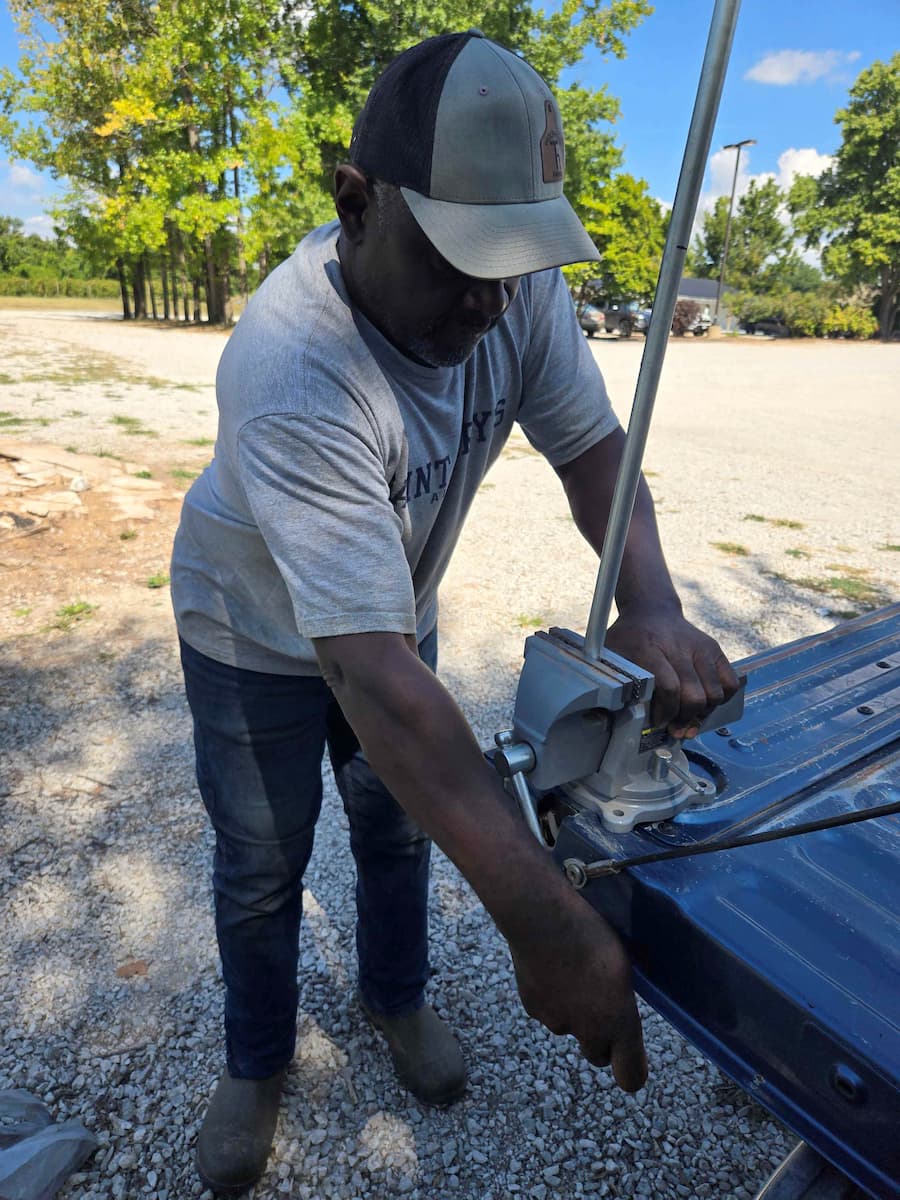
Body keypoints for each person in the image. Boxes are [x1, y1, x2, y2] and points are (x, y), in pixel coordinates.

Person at [171, 30, 739, 1197]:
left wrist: (656, 603)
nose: (489, 302)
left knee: (397, 827)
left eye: (510, 264)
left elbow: (594, 452)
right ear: (357, 202)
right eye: (456, 261)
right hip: (254, 633)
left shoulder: (512, 287)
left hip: (389, 610)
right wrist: (544, 922)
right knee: (264, 862)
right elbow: (370, 675)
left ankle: (394, 997)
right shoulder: (291, 360)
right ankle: (255, 1060)